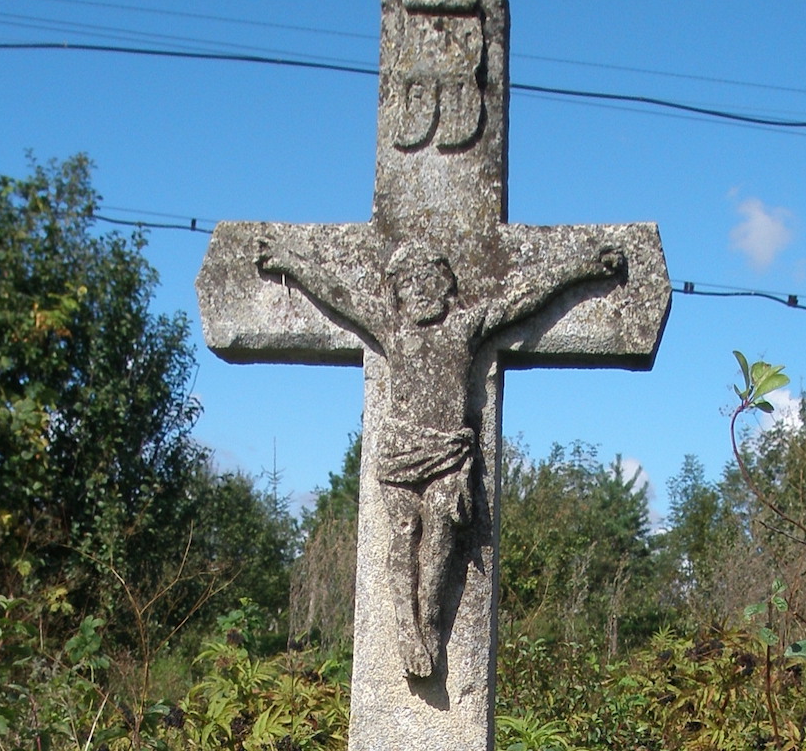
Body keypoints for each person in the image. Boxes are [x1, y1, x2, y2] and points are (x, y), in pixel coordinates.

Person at [257, 233, 626, 677]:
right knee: (405, 527)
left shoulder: (465, 328)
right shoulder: (392, 329)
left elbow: (525, 297)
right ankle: (406, 628)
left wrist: (584, 266)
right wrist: (289, 262)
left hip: (449, 451)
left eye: (427, 281)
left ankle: (429, 621)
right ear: (396, 293)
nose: (418, 291)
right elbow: (340, 295)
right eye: (407, 284)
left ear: (446, 286)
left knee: (440, 529)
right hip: (400, 450)